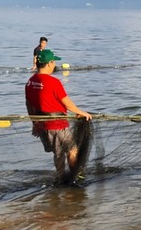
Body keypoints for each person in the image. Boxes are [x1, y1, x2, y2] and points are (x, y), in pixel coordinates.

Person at [25, 49, 92, 182]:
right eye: (54, 62)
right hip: (58, 124)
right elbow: (67, 104)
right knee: (72, 150)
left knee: (58, 153)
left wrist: (34, 123)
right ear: (49, 63)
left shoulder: (30, 82)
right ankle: (75, 177)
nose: (55, 65)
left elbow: (29, 105)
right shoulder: (53, 82)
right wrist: (81, 112)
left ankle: (60, 176)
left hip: (43, 125)